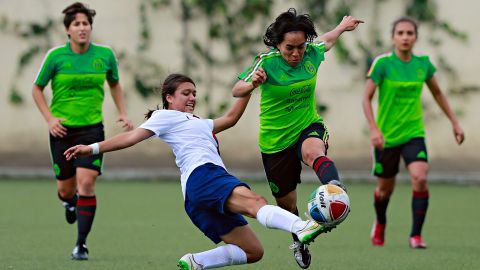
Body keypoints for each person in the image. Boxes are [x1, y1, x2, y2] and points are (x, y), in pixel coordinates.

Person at [63, 73, 330, 270]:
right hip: (204, 176)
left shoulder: (199, 123)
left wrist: (250, 86)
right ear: (169, 97)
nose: (192, 97)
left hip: (196, 198)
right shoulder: (164, 116)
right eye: (186, 93)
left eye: (194, 93)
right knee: (256, 203)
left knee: (253, 251)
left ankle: (196, 262)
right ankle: (302, 227)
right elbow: (131, 138)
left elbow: (231, 118)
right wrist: (93, 148)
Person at [232, 8, 362, 269]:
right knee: (287, 206)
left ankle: (336, 190)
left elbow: (328, 40)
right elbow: (237, 89)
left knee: (313, 152)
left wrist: (341, 26)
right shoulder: (266, 62)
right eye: (289, 48)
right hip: (275, 142)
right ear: (277, 44)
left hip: (307, 126)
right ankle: (300, 239)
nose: (295, 54)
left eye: (300, 47)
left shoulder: (312, 54)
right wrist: (252, 83)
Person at [32, 2, 133, 260]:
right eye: (76, 24)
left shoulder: (105, 55)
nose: (82, 28)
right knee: (66, 190)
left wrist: (122, 112)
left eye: (85, 23)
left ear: (90, 27)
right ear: (68, 29)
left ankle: (81, 244)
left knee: (86, 183)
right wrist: (50, 119)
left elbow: (115, 83)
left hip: (91, 130)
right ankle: (68, 202)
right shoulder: (56, 56)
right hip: (61, 132)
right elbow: (36, 89)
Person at [362, 17, 465, 249]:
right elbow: (366, 98)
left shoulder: (423, 64)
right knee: (384, 190)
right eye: (400, 33)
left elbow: (438, 93)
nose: (405, 37)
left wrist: (455, 123)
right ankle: (380, 222)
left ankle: (416, 236)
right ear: (393, 37)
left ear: (416, 37)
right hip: (386, 137)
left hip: (413, 133)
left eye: (410, 33)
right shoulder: (383, 64)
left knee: (420, 177)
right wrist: (374, 129)